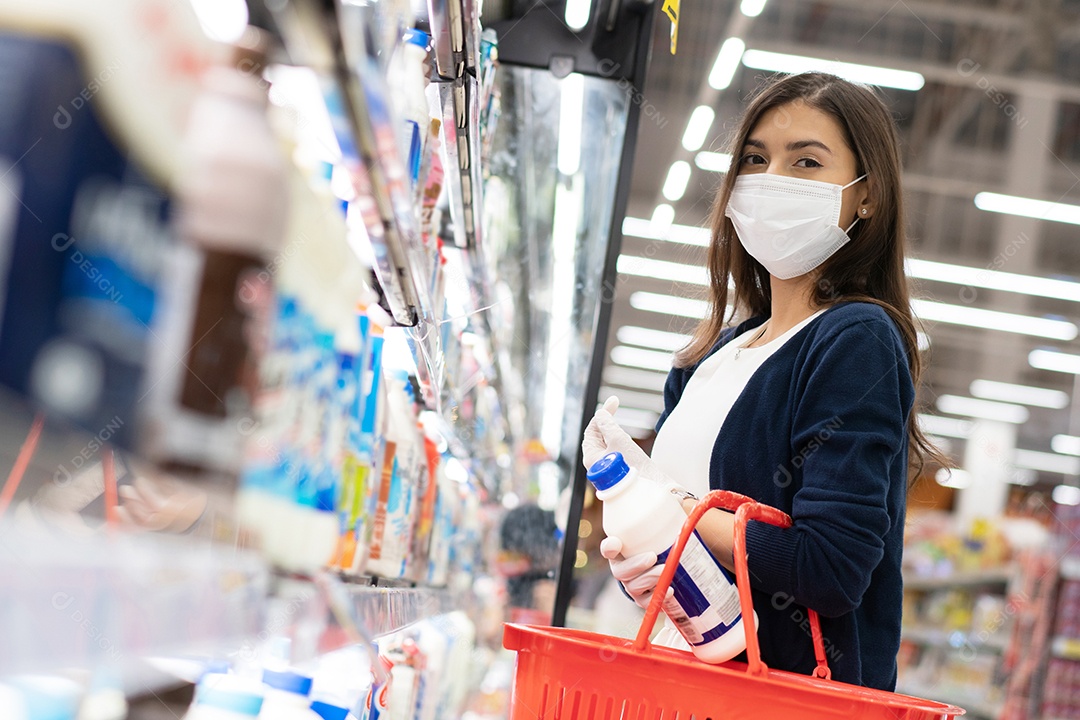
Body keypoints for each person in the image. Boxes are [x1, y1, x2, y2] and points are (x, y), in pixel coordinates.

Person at [583, 72, 946, 691]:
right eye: (755, 159)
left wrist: (678, 519)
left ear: (867, 197)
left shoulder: (855, 339)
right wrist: (644, 550)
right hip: (679, 683)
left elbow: (831, 568)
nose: (772, 178)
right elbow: (698, 555)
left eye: (806, 161)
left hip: (781, 694)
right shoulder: (712, 357)